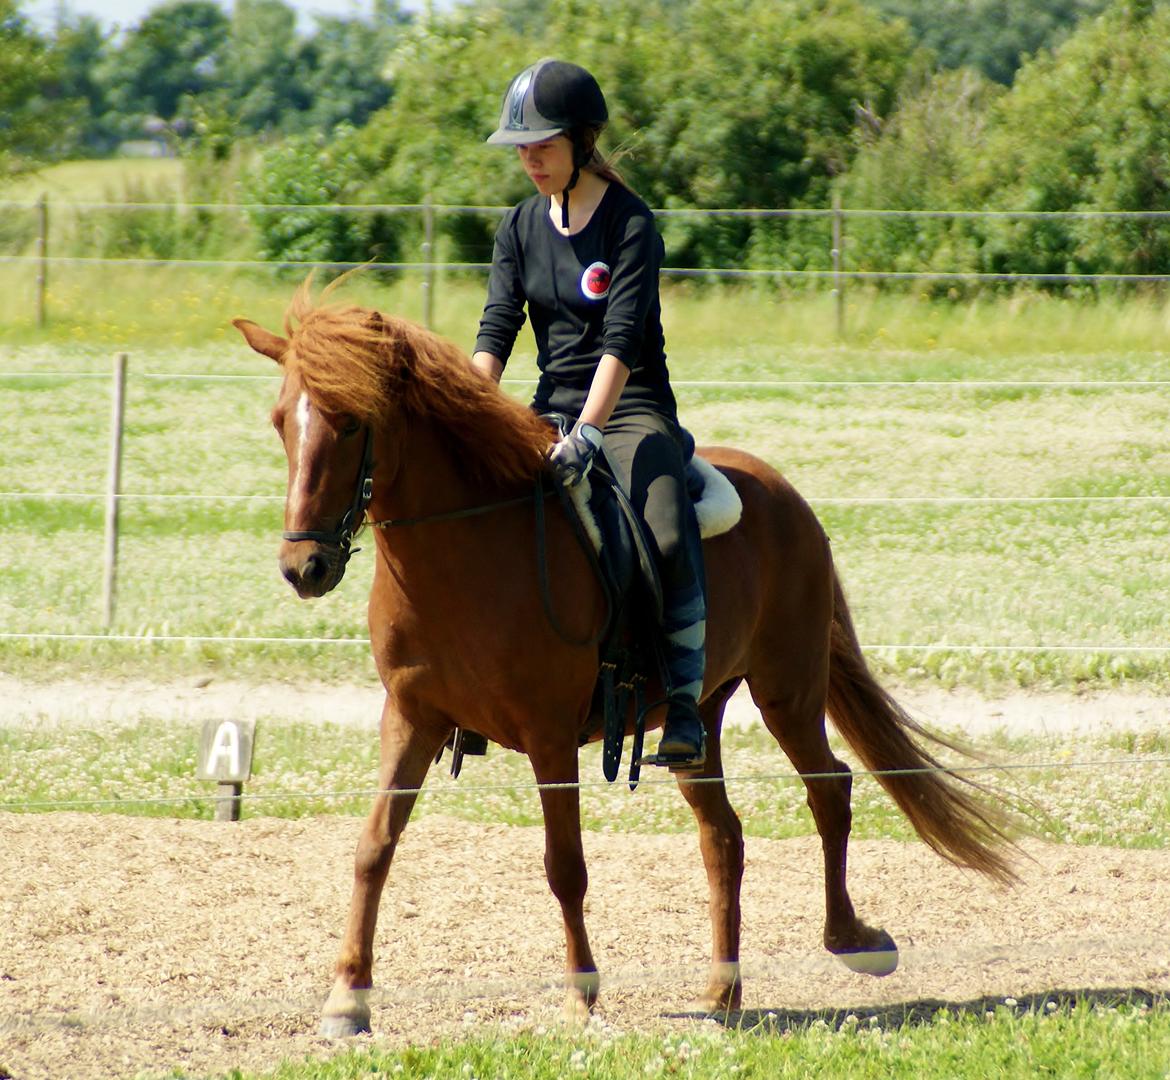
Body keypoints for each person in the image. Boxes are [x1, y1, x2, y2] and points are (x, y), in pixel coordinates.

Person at [471, 58, 707, 769]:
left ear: (582, 140)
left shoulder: (631, 223)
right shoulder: (518, 226)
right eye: (522, 148)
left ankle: (684, 703)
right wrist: (471, 415)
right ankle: (470, 688)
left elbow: (622, 339)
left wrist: (591, 433)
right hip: (549, 406)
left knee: (667, 527)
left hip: (629, 407)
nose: (529, 160)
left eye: (542, 145)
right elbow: (496, 330)